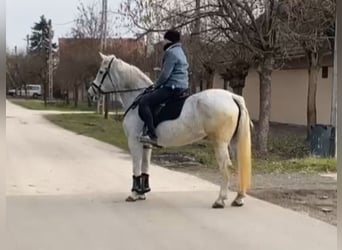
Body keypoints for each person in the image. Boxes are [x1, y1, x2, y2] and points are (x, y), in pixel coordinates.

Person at [138, 29, 189, 145]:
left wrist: (156, 85)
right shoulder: (180, 51)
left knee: (144, 101)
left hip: (172, 87)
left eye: (164, 39)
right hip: (183, 87)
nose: (162, 42)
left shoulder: (170, 53)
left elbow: (165, 74)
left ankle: (151, 135)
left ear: (168, 40)